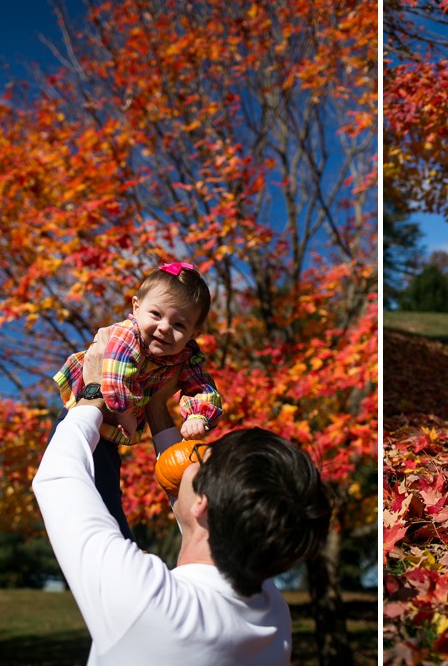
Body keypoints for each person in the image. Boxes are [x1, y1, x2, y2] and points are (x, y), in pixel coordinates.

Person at [33, 330, 332, 666]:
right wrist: (158, 405)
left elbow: (58, 477)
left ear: (204, 504)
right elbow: (185, 486)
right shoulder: (271, 614)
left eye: (203, 458)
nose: (191, 455)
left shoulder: (147, 602)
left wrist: (92, 393)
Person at [52, 262, 223, 539]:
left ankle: (119, 542)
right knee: (83, 488)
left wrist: (198, 415)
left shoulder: (185, 354)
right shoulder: (126, 334)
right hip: (87, 414)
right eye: (155, 314)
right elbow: (115, 371)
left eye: (179, 324)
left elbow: (202, 385)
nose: (164, 328)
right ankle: (109, 543)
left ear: (194, 333)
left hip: (110, 435)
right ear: (136, 307)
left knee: (108, 489)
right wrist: (125, 412)